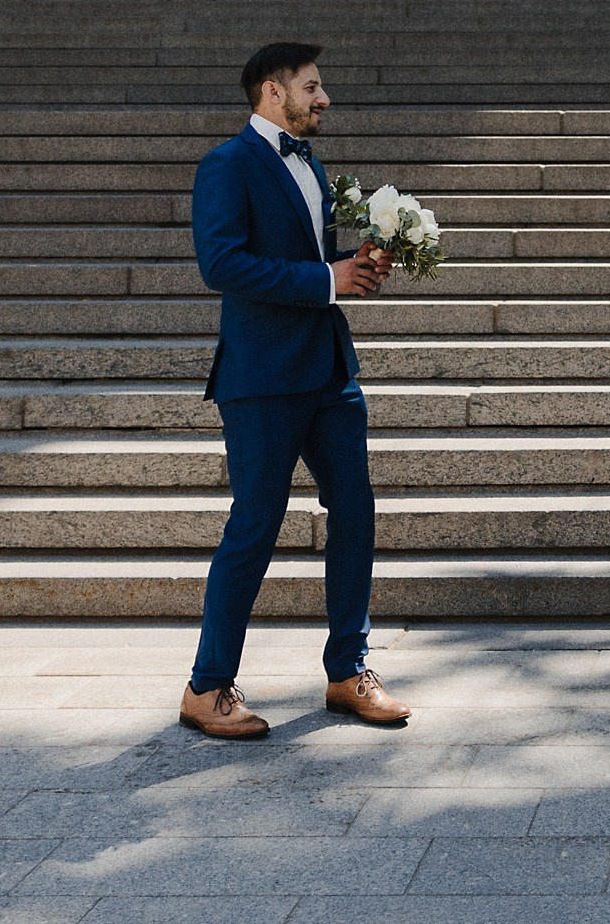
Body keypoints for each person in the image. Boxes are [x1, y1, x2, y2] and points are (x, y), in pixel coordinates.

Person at [178, 41, 409, 739]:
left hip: (328, 369)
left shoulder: (313, 165)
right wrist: (324, 280)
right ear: (273, 93)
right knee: (255, 522)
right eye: (313, 86)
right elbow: (221, 262)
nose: (325, 97)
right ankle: (206, 685)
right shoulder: (226, 164)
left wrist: (357, 267)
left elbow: (315, 262)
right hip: (262, 375)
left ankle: (348, 671)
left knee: (358, 512)